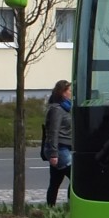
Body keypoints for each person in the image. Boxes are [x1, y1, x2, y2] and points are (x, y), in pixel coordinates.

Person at [44, 79, 73, 207]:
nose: (71, 92)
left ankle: (50, 208)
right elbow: (53, 131)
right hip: (60, 149)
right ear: (62, 92)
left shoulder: (65, 108)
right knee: (76, 179)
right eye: (69, 90)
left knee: (55, 182)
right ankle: (71, 206)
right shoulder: (57, 109)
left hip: (64, 147)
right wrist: (54, 153)